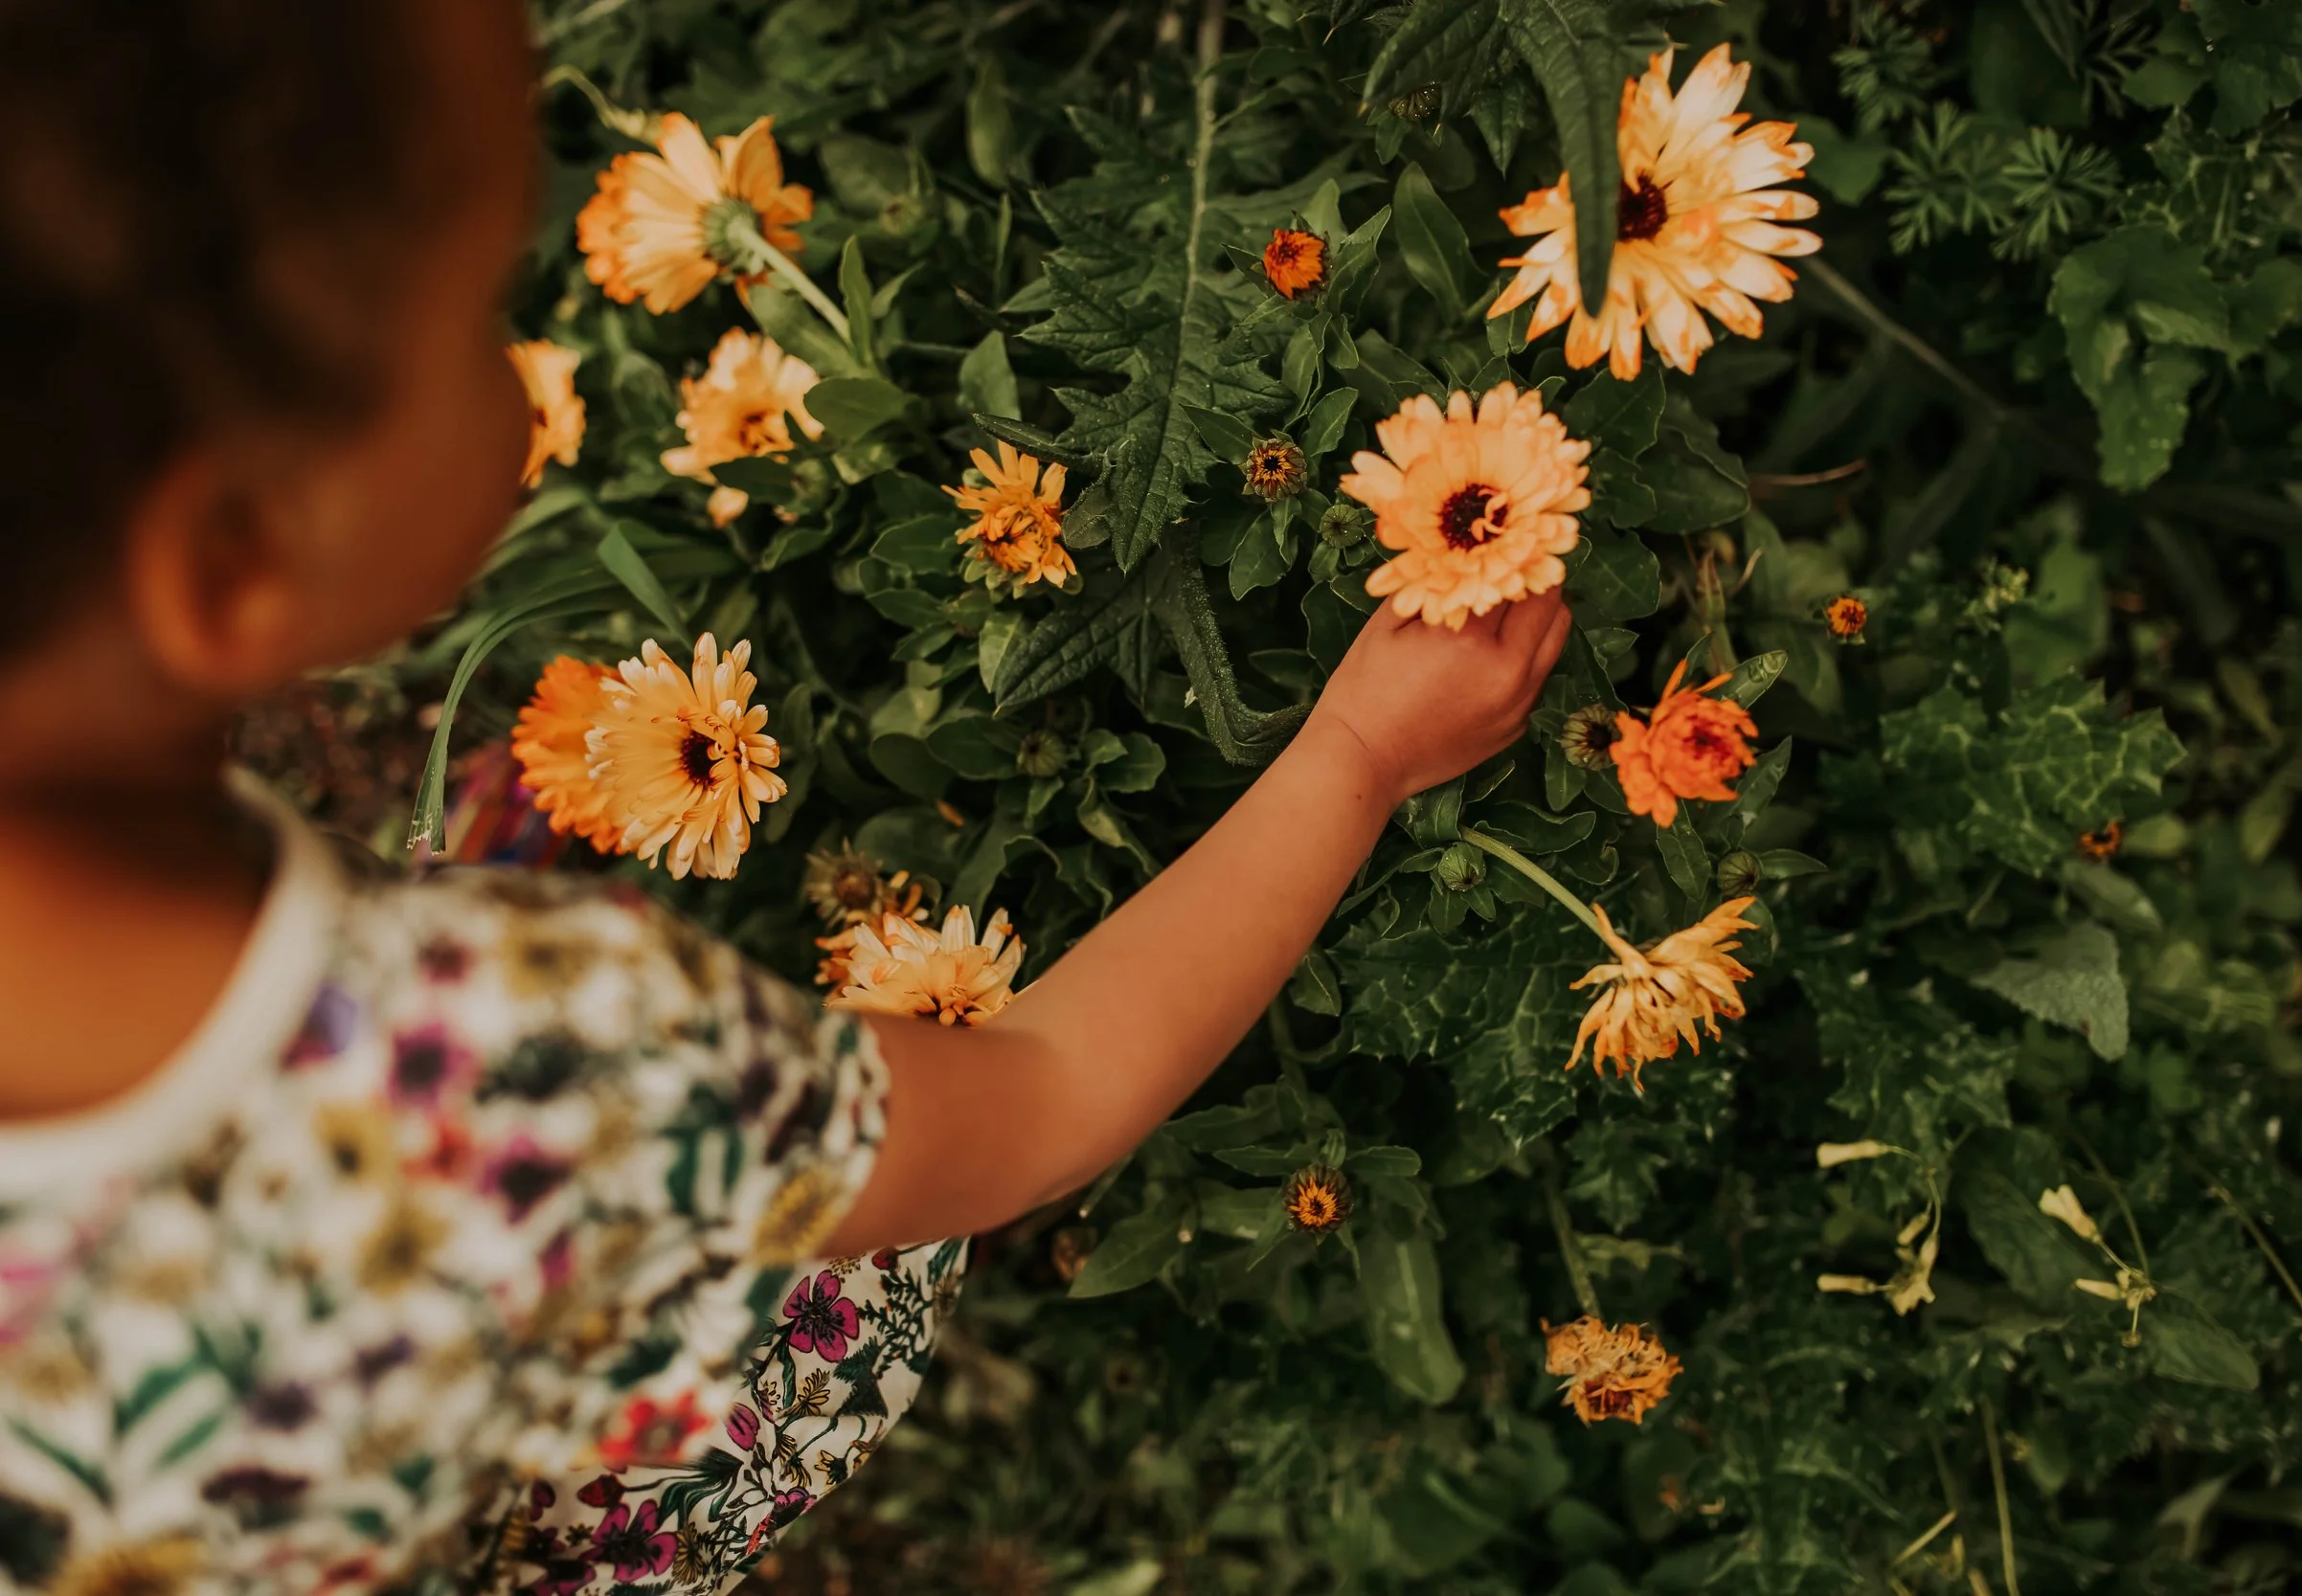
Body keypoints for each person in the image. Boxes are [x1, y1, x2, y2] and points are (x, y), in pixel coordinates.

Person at [0, 0, 1569, 1591]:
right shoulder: (503, 1064)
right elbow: (1038, 1091)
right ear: (234, 556)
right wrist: (1353, 756)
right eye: (481, 305)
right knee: (804, 1282)